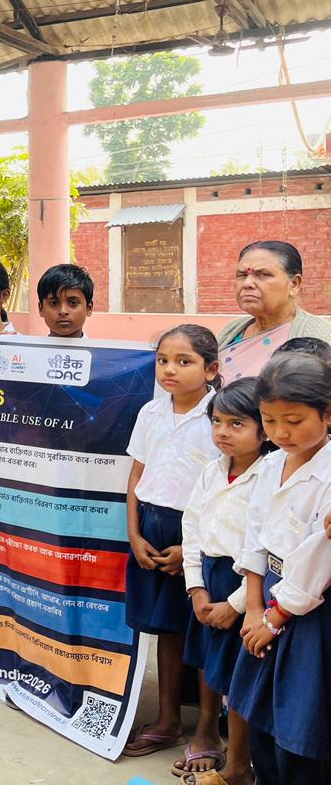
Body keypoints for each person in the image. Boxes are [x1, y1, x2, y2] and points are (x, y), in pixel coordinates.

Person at [230, 353, 331, 784]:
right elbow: (255, 538)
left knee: (300, 725)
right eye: (269, 421)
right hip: (268, 598)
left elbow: (316, 560)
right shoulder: (271, 464)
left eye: (294, 421)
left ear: (328, 414)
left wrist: (276, 616)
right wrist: (254, 608)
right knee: (261, 713)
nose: (280, 433)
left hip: (307, 610)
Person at [122, 325, 221, 758]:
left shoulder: (220, 418)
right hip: (152, 527)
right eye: (163, 360)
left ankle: (207, 730)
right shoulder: (151, 412)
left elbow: (227, 489)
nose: (170, 370)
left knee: (203, 629)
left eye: (184, 361)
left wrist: (191, 548)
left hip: (200, 535)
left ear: (211, 369)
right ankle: (168, 721)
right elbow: (137, 475)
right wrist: (134, 533)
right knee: (166, 629)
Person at [178, 377, 268, 782]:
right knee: (210, 664)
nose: (223, 432)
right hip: (209, 576)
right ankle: (210, 736)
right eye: (216, 422)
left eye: (236, 424)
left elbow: (264, 548)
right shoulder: (212, 471)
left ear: (264, 431)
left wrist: (235, 604)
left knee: (240, 676)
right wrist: (196, 588)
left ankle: (239, 766)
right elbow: (192, 526)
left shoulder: (269, 477)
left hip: (246, 585)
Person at [217, 241, 331, 384]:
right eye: (242, 275)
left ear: (294, 284)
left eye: (263, 275)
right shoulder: (232, 330)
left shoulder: (322, 335)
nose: (247, 284)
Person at [36, 264, 94, 339]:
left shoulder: (100, 347)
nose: (63, 311)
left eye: (73, 303)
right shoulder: (27, 346)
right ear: (41, 309)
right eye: (54, 303)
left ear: (89, 308)